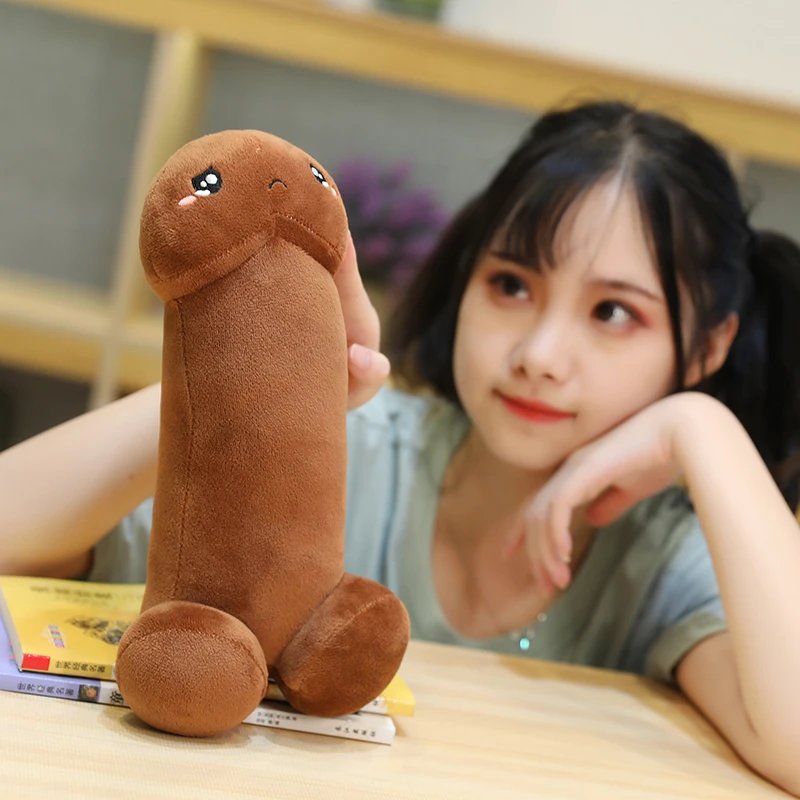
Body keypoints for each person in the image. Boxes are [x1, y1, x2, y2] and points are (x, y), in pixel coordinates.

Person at [2, 100, 800, 794]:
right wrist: (268, 391)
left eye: (614, 313)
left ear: (709, 346)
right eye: (512, 285)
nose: (540, 354)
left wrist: (703, 428)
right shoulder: (363, 451)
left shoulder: (668, 560)